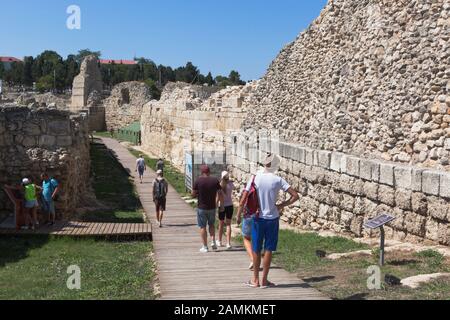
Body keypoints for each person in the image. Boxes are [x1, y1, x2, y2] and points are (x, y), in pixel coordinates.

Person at [242, 154, 299, 289]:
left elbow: (244, 196)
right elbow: (295, 196)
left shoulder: (255, 178)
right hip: (272, 218)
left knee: (256, 248)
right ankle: (265, 280)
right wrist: (281, 205)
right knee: (269, 249)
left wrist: (240, 212)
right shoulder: (278, 180)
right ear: (275, 166)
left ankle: (255, 280)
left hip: (257, 217)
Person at [192, 165, 224, 253]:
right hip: (212, 207)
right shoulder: (215, 180)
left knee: (202, 226)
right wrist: (221, 206)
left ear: (202, 172)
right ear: (209, 172)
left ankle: (205, 247)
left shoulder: (198, 180)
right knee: (211, 224)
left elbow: (193, 194)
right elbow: (220, 193)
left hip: (201, 207)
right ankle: (213, 240)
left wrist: (197, 193)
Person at [217, 171, 235, 250]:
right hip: (230, 205)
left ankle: (219, 241)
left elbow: (218, 197)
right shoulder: (231, 184)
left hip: (222, 206)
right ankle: (228, 243)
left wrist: (215, 204)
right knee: (228, 224)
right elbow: (232, 185)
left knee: (221, 223)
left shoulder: (220, 185)